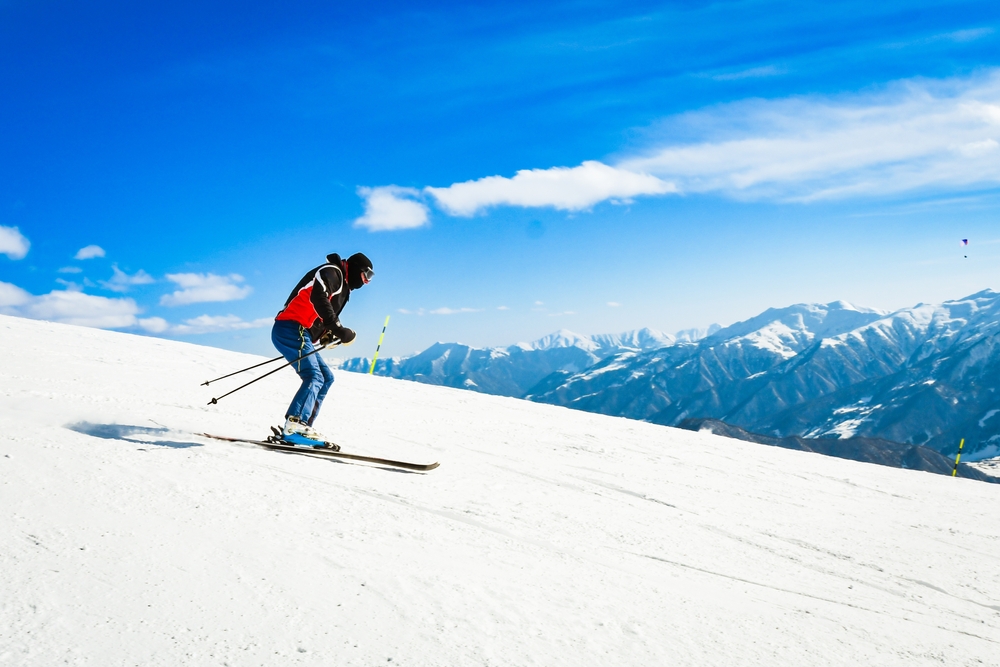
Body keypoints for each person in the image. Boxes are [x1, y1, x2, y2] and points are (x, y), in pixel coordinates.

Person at [271, 252, 373, 446]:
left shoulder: (342, 285)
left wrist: (328, 334)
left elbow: (320, 313)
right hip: (291, 327)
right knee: (314, 376)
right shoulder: (332, 272)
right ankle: (294, 426)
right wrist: (338, 329)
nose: (366, 282)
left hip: (301, 332)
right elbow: (318, 298)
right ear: (357, 269)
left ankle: (304, 428)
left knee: (326, 378)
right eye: (367, 275)